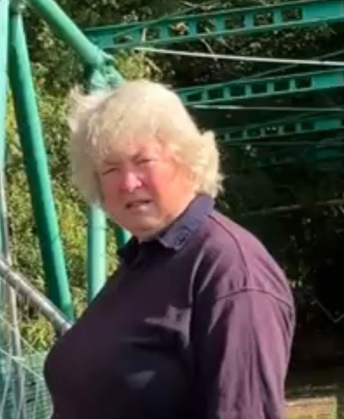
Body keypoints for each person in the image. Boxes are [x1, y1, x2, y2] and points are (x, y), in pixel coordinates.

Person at [44, 80, 295, 419]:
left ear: (187, 160)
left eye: (143, 160)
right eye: (111, 168)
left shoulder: (230, 271)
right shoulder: (144, 261)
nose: (128, 183)